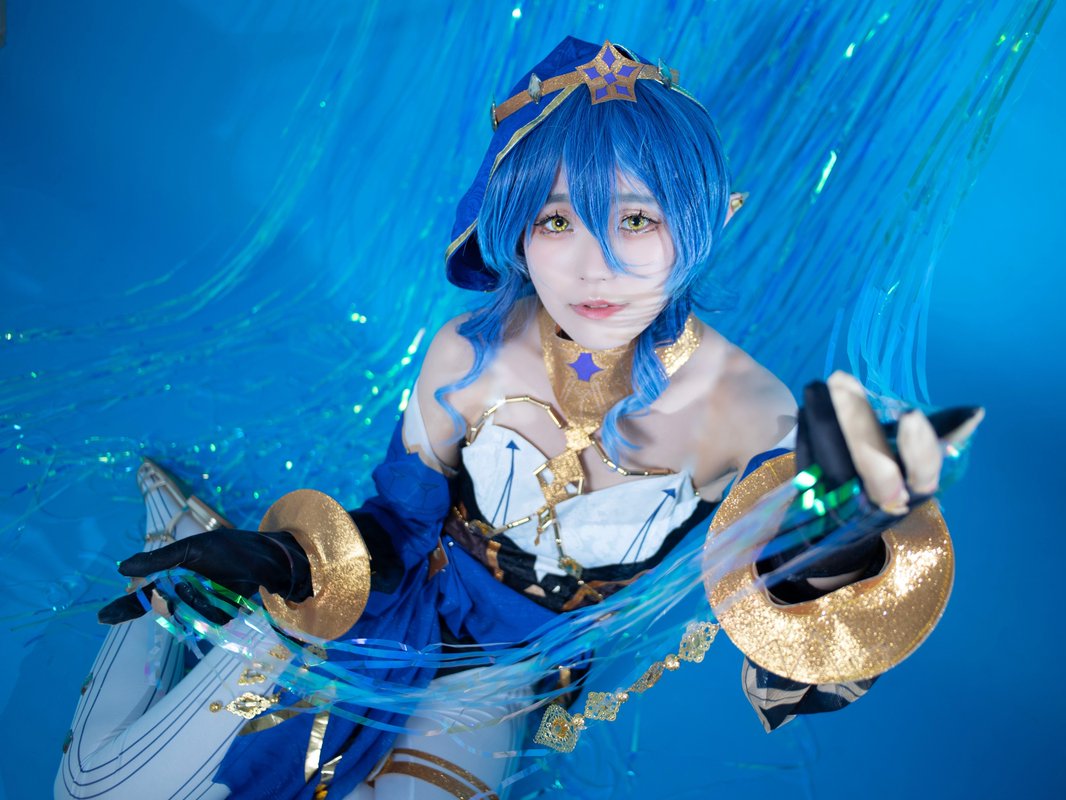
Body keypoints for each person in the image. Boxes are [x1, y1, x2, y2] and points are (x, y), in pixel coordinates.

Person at [56, 37, 980, 800]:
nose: (595, 267)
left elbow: (792, 635)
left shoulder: (748, 409)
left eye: (636, 219)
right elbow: (397, 528)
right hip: (391, 601)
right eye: (556, 221)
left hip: (517, 667)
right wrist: (284, 562)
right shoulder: (467, 353)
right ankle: (182, 543)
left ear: (700, 221)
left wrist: (838, 552)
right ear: (516, 230)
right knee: (95, 789)